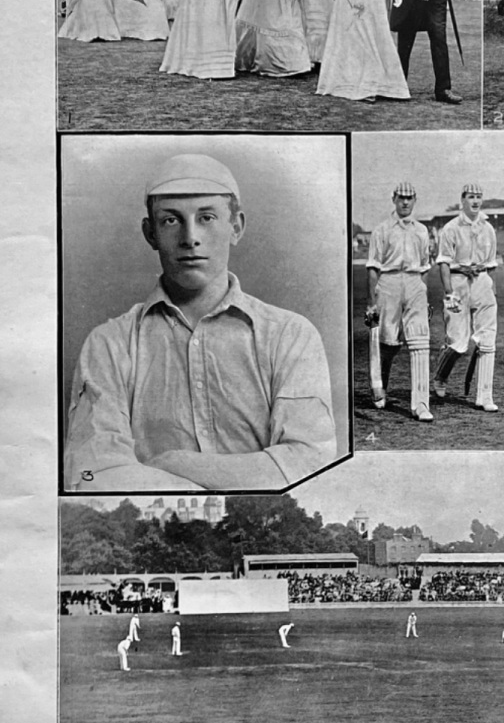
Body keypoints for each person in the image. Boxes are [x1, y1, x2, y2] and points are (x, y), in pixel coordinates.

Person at [64, 153, 337, 492]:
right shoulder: (110, 343)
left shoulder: (290, 336)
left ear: (236, 227)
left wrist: (173, 464)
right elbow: (90, 475)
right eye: (170, 221)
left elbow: (312, 466)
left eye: (206, 217)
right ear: (150, 234)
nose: (190, 237)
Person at [365, 181, 433, 420]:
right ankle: (379, 385)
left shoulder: (422, 231)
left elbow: (425, 266)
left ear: (415, 200)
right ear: (393, 199)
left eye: (410, 198)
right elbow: (373, 267)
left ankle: (421, 404)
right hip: (389, 284)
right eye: (401, 198)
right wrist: (371, 302)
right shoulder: (381, 230)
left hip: (414, 283)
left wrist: (420, 289)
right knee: (388, 343)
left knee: (420, 342)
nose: (405, 202)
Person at [433, 183, 499, 412]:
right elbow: (443, 263)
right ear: (463, 199)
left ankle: (485, 396)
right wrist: (449, 292)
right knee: (458, 344)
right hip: (458, 284)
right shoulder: (450, 228)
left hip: (482, 284)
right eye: (471, 197)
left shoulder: (488, 228)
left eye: (479, 197)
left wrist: (490, 287)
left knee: (487, 341)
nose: (476, 201)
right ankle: (440, 378)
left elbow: (491, 264)